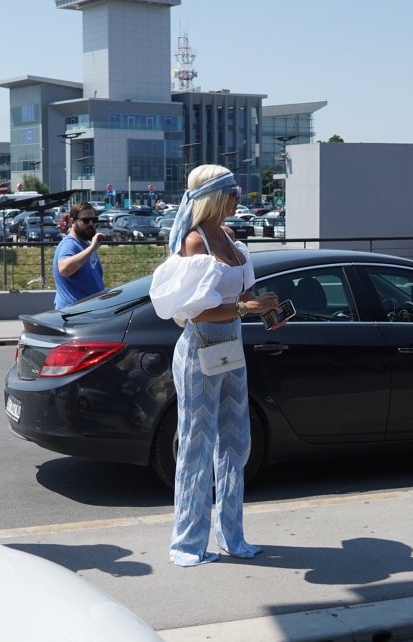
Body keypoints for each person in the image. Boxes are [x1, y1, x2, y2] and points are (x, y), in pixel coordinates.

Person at [149, 164, 279, 567]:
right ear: (216, 196)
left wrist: (266, 308)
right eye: (234, 191)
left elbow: (243, 293)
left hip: (230, 349)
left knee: (236, 441)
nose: (240, 197)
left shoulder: (230, 237)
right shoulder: (194, 242)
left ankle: (231, 534)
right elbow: (196, 312)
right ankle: (188, 542)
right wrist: (244, 307)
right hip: (201, 349)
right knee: (195, 444)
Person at [53, 202, 105, 310]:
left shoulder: (86, 244)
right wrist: (92, 248)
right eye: (85, 220)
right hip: (73, 314)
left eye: (94, 220)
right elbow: (64, 269)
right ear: (72, 221)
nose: (91, 224)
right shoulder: (69, 244)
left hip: (89, 312)